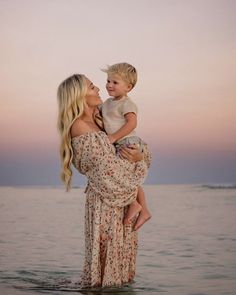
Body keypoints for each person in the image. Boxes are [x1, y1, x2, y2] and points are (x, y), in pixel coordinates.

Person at [57, 74, 151, 288]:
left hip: (123, 202)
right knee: (105, 266)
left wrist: (139, 157)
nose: (99, 88)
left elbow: (131, 152)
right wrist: (140, 161)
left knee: (120, 265)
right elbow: (106, 171)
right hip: (105, 203)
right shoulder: (79, 125)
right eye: (91, 86)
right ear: (78, 95)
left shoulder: (102, 121)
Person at [101, 62, 151, 230]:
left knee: (122, 176)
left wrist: (113, 137)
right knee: (127, 178)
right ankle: (140, 207)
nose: (109, 85)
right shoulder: (108, 103)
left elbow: (132, 123)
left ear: (128, 87)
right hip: (118, 144)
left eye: (115, 82)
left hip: (128, 142)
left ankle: (137, 205)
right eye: (108, 81)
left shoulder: (126, 103)